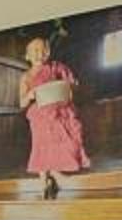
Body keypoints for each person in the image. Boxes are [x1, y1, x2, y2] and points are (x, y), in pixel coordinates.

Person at [18, 32, 89, 198]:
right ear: (27, 56)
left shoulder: (57, 67)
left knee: (65, 140)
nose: (39, 53)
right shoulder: (26, 77)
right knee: (42, 145)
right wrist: (30, 95)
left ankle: (55, 172)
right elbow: (21, 103)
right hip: (40, 114)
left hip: (59, 112)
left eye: (43, 50)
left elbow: (71, 85)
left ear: (48, 52)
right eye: (35, 50)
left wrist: (71, 86)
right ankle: (44, 182)